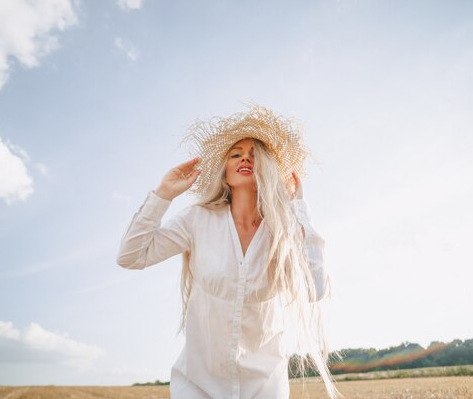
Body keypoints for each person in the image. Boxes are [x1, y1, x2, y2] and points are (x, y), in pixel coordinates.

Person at [116, 105, 340, 399]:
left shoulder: (283, 231)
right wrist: (163, 195)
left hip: (265, 384)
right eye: (235, 154)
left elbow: (316, 288)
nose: (245, 157)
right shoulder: (197, 219)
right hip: (198, 383)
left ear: (268, 169)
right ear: (224, 173)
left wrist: (298, 208)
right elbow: (131, 256)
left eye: (254, 154)